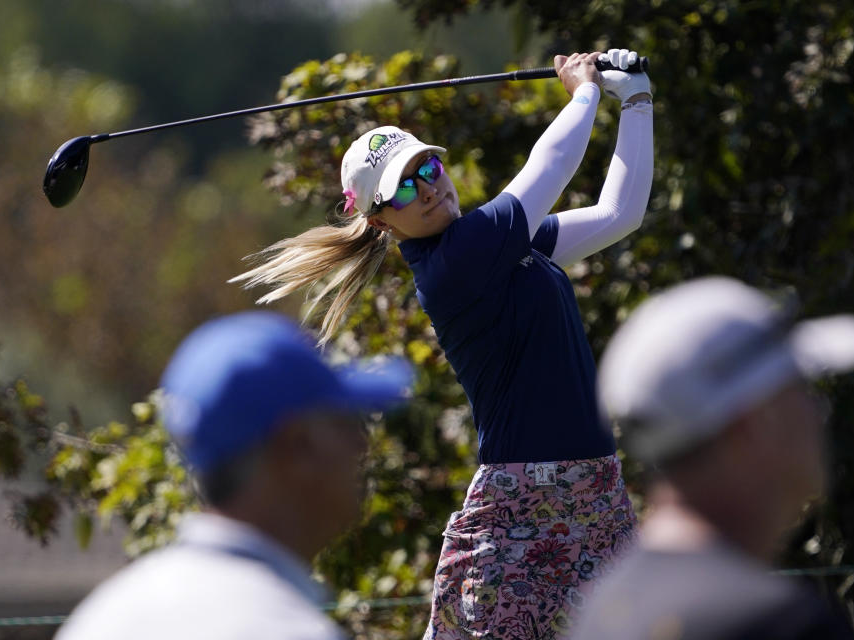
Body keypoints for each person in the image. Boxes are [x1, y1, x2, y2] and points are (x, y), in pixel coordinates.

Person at [231, 49, 654, 638]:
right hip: (524, 509)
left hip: (594, 491)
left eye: (427, 169)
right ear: (381, 221)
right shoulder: (455, 264)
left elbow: (618, 214)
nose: (427, 189)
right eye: (403, 189)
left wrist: (636, 102)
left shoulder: (498, 246)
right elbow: (550, 166)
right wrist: (584, 92)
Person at [55, 311, 412, 640]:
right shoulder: (288, 631)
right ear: (297, 445)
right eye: (343, 421)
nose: (359, 445)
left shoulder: (102, 618)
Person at [569, 276, 854, 640]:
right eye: (801, 389)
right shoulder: (782, 624)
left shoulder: (605, 606)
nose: (817, 412)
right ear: (754, 425)